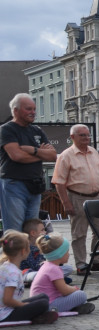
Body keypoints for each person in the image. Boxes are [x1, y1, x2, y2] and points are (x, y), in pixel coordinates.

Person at [51, 124, 99, 274]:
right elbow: (59, 182)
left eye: (88, 135)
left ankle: (97, 261)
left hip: (97, 196)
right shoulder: (66, 155)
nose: (86, 138)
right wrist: (66, 203)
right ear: (72, 137)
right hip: (77, 196)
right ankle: (81, 264)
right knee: (79, 232)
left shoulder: (94, 152)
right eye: (82, 135)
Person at [0, 94, 57, 236]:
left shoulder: (37, 130)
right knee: (14, 230)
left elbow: (53, 156)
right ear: (15, 110)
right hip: (14, 184)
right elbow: (16, 156)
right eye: (28, 109)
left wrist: (33, 150)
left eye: (34, 109)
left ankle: (30, 258)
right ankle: (10, 258)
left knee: (33, 230)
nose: (33, 112)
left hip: (35, 185)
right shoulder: (7, 129)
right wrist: (41, 154)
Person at [0, 231, 56, 325]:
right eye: (28, 247)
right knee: (43, 304)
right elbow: (7, 300)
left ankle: (39, 314)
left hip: (6, 307)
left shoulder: (6, 266)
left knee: (43, 296)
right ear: (23, 251)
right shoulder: (13, 273)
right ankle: (39, 317)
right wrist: (22, 305)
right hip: (5, 314)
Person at [29, 232, 93, 314]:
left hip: (40, 304)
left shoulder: (46, 265)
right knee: (81, 295)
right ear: (59, 254)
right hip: (48, 305)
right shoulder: (54, 269)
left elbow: (60, 287)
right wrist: (74, 289)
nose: (69, 254)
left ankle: (75, 307)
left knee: (75, 295)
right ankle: (73, 308)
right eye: (67, 251)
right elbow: (64, 291)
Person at [21, 218, 74, 285]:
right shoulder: (26, 248)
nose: (45, 232)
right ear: (33, 233)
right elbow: (35, 267)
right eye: (42, 230)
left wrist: (57, 257)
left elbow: (55, 264)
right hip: (29, 272)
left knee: (68, 268)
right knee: (34, 275)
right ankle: (52, 279)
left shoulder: (42, 244)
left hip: (44, 271)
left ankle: (50, 279)